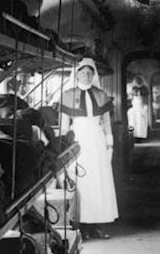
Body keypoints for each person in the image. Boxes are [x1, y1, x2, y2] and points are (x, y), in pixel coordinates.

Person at [57, 58, 118, 239]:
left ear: (94, 75)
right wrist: (63, 144)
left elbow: (106, 122)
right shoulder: (68, 94)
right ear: (77, 74)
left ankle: (97, 226)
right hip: (78, 141)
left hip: (97, 141)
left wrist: (109, 143)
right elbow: (64, 124)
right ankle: (80, 226)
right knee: (80, 182)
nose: (87, 75)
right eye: (83, 72)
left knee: (98, 182)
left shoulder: (100, 94)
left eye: (90, 72)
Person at [127, 75, 150, 140]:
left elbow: (145, 100)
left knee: (141, 124)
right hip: (134, 107)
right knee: (131, 122)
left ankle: (140, 137)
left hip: (141, 108)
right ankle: (131, 134)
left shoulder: (144, 89)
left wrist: (144, 108)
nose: (137, 82)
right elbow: (131, 98)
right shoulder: (133, 88)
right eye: (136, 81)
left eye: (138, 81)